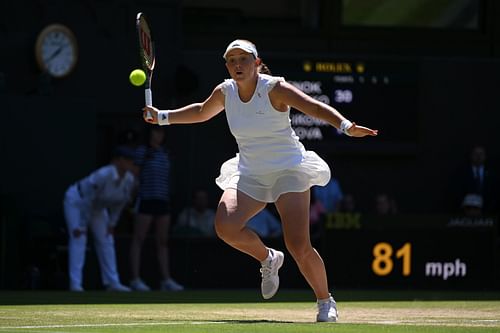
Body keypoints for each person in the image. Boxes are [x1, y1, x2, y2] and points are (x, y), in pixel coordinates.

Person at [142, 39, 377, 322]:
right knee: (225, 227)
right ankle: (268, 258)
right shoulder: (225, 92)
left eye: (243, 59)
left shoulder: (274, 88)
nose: (237, 65)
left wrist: (345, 125)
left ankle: (325, 301)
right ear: (227, 66)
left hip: (288, 170)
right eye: (232, 60)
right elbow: (202, 111)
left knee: (298, 244)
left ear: (256, 63)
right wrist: (163, 117)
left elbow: (312, 107)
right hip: (250, 172)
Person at [63, 146, 137, 292]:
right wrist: (81, 225)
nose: (131, 164)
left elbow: (120, 203)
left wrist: (112, 223)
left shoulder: (129, 180)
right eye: (127, 160)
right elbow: (88, 199)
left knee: (107, 240)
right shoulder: (103, 174)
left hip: (98, 208)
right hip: (77, 202)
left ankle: (112, 283)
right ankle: (75, 284)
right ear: (118, 161)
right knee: (79, 239)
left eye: (131, 161)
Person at [129, 125, 184, 292]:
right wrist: (132, 200)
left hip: (162, 201)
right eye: (155, 131)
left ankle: (166, 280)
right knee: (139, 239)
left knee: (162, 241)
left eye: (161, 132)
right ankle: (135, 279)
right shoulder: (142, 152)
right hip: (145, 199)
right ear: (150, 133)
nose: (158, 135)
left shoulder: (165, 153)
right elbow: (134, 177)